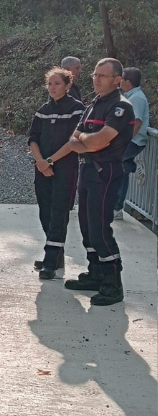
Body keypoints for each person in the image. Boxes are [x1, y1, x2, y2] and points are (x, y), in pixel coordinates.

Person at [63, 58, 135, 306]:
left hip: (106, 173)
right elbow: (73, 140)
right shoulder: (94, 105)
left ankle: (113, 284)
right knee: (86, 225)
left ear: (117, 80)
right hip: (89, 170)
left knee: (100, 229)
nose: (96, 79)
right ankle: (95, 274)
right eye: (95, 74)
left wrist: (84, 140)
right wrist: (85, 140)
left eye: (103, 76)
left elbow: (97, 141)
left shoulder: (121, 107)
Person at [28, 67, 86, 280]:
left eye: (57, 83)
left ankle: (50, 262)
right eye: (50, 84)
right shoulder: (43, 109)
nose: (52, 88)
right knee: (45, 212)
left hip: (65, 169)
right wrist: (41, 162)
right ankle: (56, 255)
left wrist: (51, 161)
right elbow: (33, 138)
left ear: (68, 85)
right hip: (42, 169)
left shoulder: (77, 109)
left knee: (59, 214)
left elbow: (74, 141)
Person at [114, 67, 149, 219]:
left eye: (121, 79)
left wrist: (125, 141)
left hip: (134, 141)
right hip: (130, 140)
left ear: (128, 82)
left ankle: (117, 209)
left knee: (119, 169)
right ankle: (134, 167)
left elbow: (137, 122)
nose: (119, 81)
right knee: (123, 169)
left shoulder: (136, 98)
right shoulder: (131, 96)